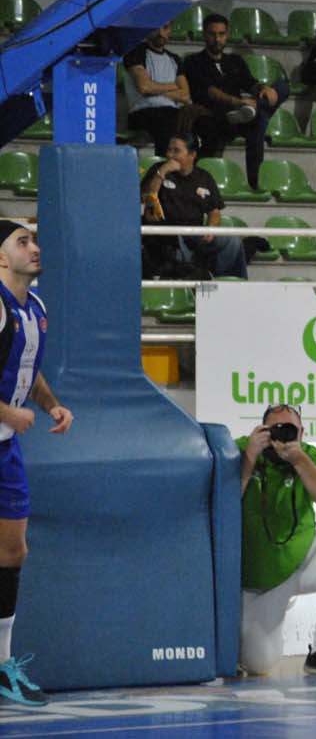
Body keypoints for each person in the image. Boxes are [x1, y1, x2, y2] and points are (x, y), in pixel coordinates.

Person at [0, 221, 74, 707]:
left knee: (13, 552)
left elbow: (29, 365)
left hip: (6, 446)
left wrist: (50, 405)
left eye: (35, 239)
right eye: (22, 241)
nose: (34, 246)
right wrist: (6, 410)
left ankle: (3, 667)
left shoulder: (37, 307)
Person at [235, 404, 316, 676]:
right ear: (261, 430)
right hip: (258, 577)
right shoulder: (241, 449)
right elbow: (223, 500)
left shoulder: (308, 456)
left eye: (290, 429)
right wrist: (249, 457)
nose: (282, 435)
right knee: (259, 664)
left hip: (304, 555)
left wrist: (299, 460)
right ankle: (271, 619)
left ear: (302, 433)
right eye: (275, 429)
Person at [180, 13, 289, 188]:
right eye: (212, 34)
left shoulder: (235, 61)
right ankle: (255, 182)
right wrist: (238, 103)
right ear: (204, 35)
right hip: (214, 115)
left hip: (241, 115)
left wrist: (263, 89)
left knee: (281, 88)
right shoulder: (193, 61)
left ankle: (257, 110)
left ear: (227, 35)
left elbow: (250, 84)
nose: (217, 39)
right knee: (260, 120)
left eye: (221, 34)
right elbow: (211, 92)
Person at [140, 132, 247, 279]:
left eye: (176, 151)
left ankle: (224, 281)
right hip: (168, 234)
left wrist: (211, 228)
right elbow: (147, 199)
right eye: (169, 150)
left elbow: (214, 211)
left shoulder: (204, 177)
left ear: (192, 155)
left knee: (231, 240)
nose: (170, 155)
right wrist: (162, 173)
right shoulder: (157, 170)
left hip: (195, 233)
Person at [122, 22, 192, 155]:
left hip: (171, 112)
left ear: (170, 30)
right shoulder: (135, 52)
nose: (160, 33)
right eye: (156, 28)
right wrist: (173, 86)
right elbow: (144, 87)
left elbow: (185, 95)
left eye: (165, 28)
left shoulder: (175, 59)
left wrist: (156, 89)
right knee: (167, 123)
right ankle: (163, 169)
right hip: (143, 112)